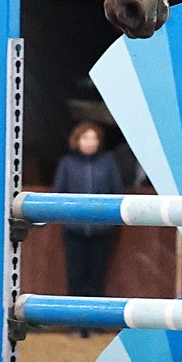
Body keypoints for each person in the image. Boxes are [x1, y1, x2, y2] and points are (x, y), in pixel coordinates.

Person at [53, 121, 124, 335]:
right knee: (75, 277)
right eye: (86, 138)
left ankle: (94, 323)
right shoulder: (67, 163)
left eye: (93, 138)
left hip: (101, 232)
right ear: (77, 140)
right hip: (73, 232)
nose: (89, 142)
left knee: (97, 278)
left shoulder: (108, 162)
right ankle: (76, 324)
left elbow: (117, 190)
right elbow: (59, 191)